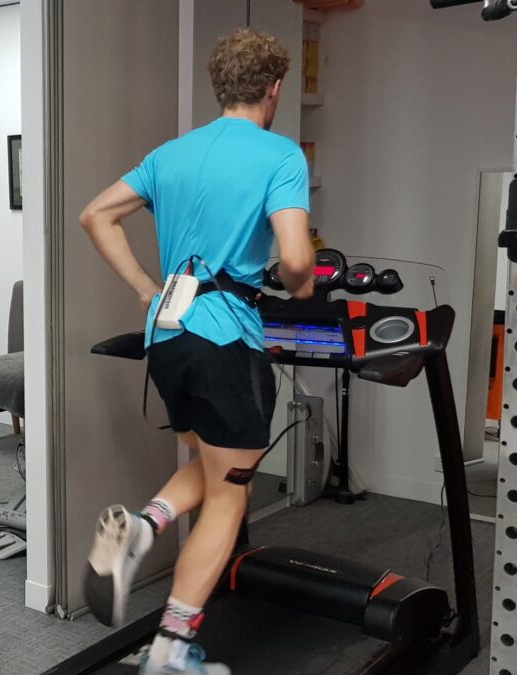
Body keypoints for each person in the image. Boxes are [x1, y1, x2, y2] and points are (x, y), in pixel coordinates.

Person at [79, 27, 316, 675]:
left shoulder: (171, 154)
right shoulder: (281, 155)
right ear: (273, 89)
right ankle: (171, 652)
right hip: (226, 337)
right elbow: (297, 259)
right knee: (231, 491)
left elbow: (95, 214)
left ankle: (144, 525)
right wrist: (301, 282)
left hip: (168, 335)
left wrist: (145, 288)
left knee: (212, 460)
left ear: (220, 88)